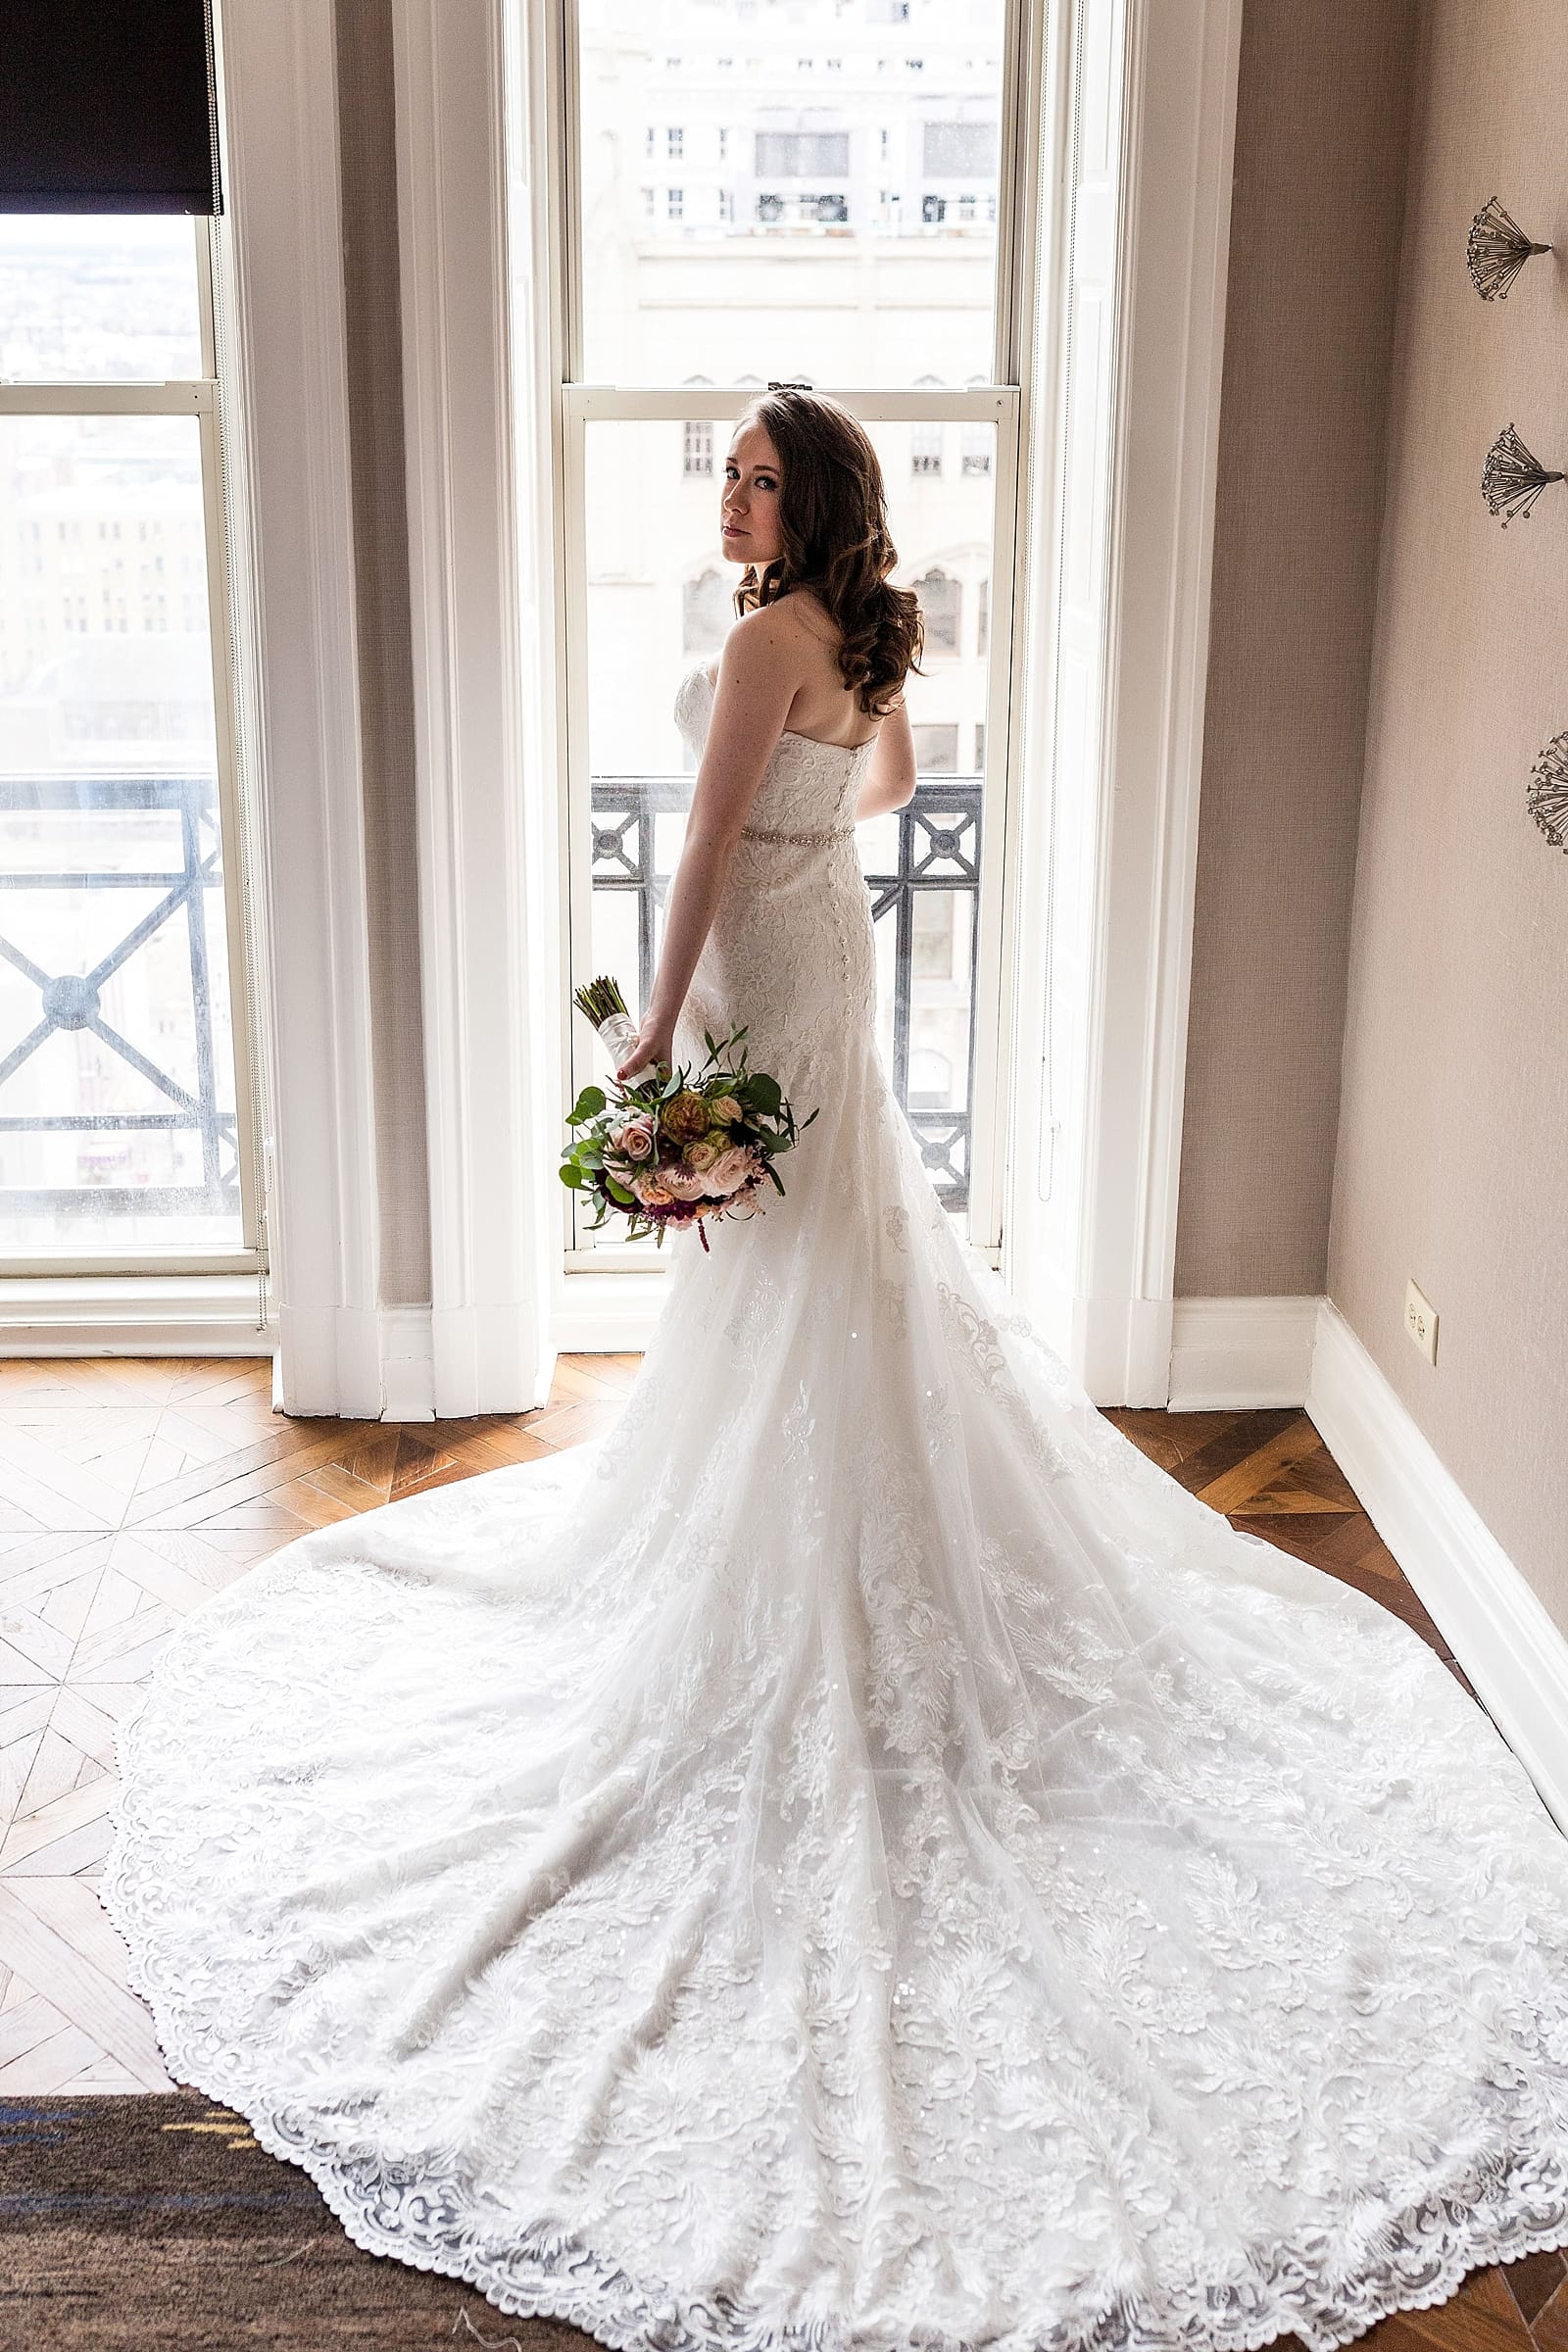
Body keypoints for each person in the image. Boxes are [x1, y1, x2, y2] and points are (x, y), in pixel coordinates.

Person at [101, 386, 1568, 2352]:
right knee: (834, 1265)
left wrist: (649, 1041)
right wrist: (771, 902)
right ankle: (863, 1551)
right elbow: (863, 806)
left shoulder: (750, 639)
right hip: (835, 971)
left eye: (753, 474)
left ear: (811, 500)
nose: (727, 495)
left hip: (756, 977)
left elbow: (702, 837)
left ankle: (791, 1573)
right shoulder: (870, 635)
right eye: (723, 472)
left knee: (778, 1278)